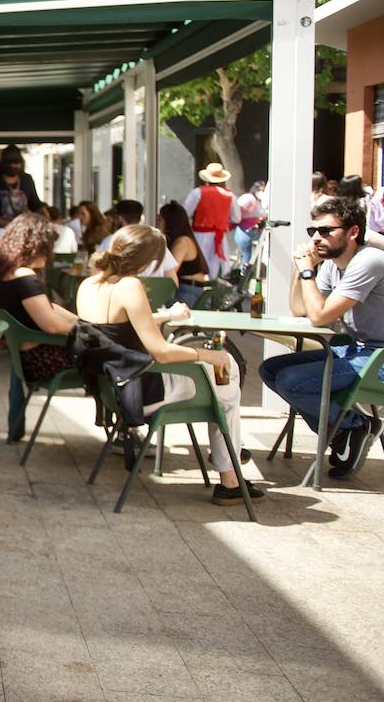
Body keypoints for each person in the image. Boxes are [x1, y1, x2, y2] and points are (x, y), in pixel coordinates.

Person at [77, 225, 265, 506]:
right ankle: (230, 472)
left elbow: (116, 328)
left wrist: (163, 317)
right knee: (226, 371)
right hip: (143, 390)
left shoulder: (89, 284)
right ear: (150, 261)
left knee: (220, 387)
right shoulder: (130, 285)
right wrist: (206, 355)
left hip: (112, 389)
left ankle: (229, 454)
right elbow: (161, 352)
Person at [259, 196, 384, 479]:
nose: (317, 239)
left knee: (291, 382)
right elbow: (301, 309)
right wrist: (302, 271)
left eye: (326, 231)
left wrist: (309, 270)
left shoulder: (369, 261)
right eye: (313, 232)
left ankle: (352, 427)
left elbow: (320, 317)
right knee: (271, 369)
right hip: (357, 351)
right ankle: (349, 429)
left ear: (353, 232)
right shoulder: (333, 264)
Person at [0, 213, 78, 440]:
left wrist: (83, 322)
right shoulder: (25, 277)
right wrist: (94, 330)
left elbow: (49, 310)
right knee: (112, 356)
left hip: (24, 359)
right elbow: (51, 325)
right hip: (43, 360)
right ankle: (126, 425)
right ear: (37, 245)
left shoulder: (5, 276)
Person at [184, 162, 241, 280]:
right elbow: (237, 218)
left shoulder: (197, 193)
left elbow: (186, 213)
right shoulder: (230, 196)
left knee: (199, 264)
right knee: (218, 267)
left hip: (200, 235)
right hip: (220, 237)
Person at [98, 200, 178, 280]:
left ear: (120, 219)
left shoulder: (111, 241)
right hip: (157, 291)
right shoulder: (156, 241)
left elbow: (98, 270)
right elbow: (173, 280)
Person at [157, 201, 210, 307]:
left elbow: (170, 269)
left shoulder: (183, 241)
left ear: (169, 222)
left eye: (160, 220)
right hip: (187, 288)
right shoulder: (182, 239)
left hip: (188, 291)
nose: (157, 223)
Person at [0, 145, 44, 226]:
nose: (13, 166)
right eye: (9, 163)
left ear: (21, 163)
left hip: (23, 230)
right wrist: (8, 224)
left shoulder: (26, 180)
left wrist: (47, 219)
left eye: (16, 163)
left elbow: (36, 205)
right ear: (2, 163)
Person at [234, 181, 267, 268]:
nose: (261, 192)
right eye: (260, 190)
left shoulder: (259, 201)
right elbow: (237, 207)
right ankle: (243, 275)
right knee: (246, 256)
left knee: (250, 257)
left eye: (263, 190)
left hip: (254, 231)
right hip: (244, 231)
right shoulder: (248, 198)